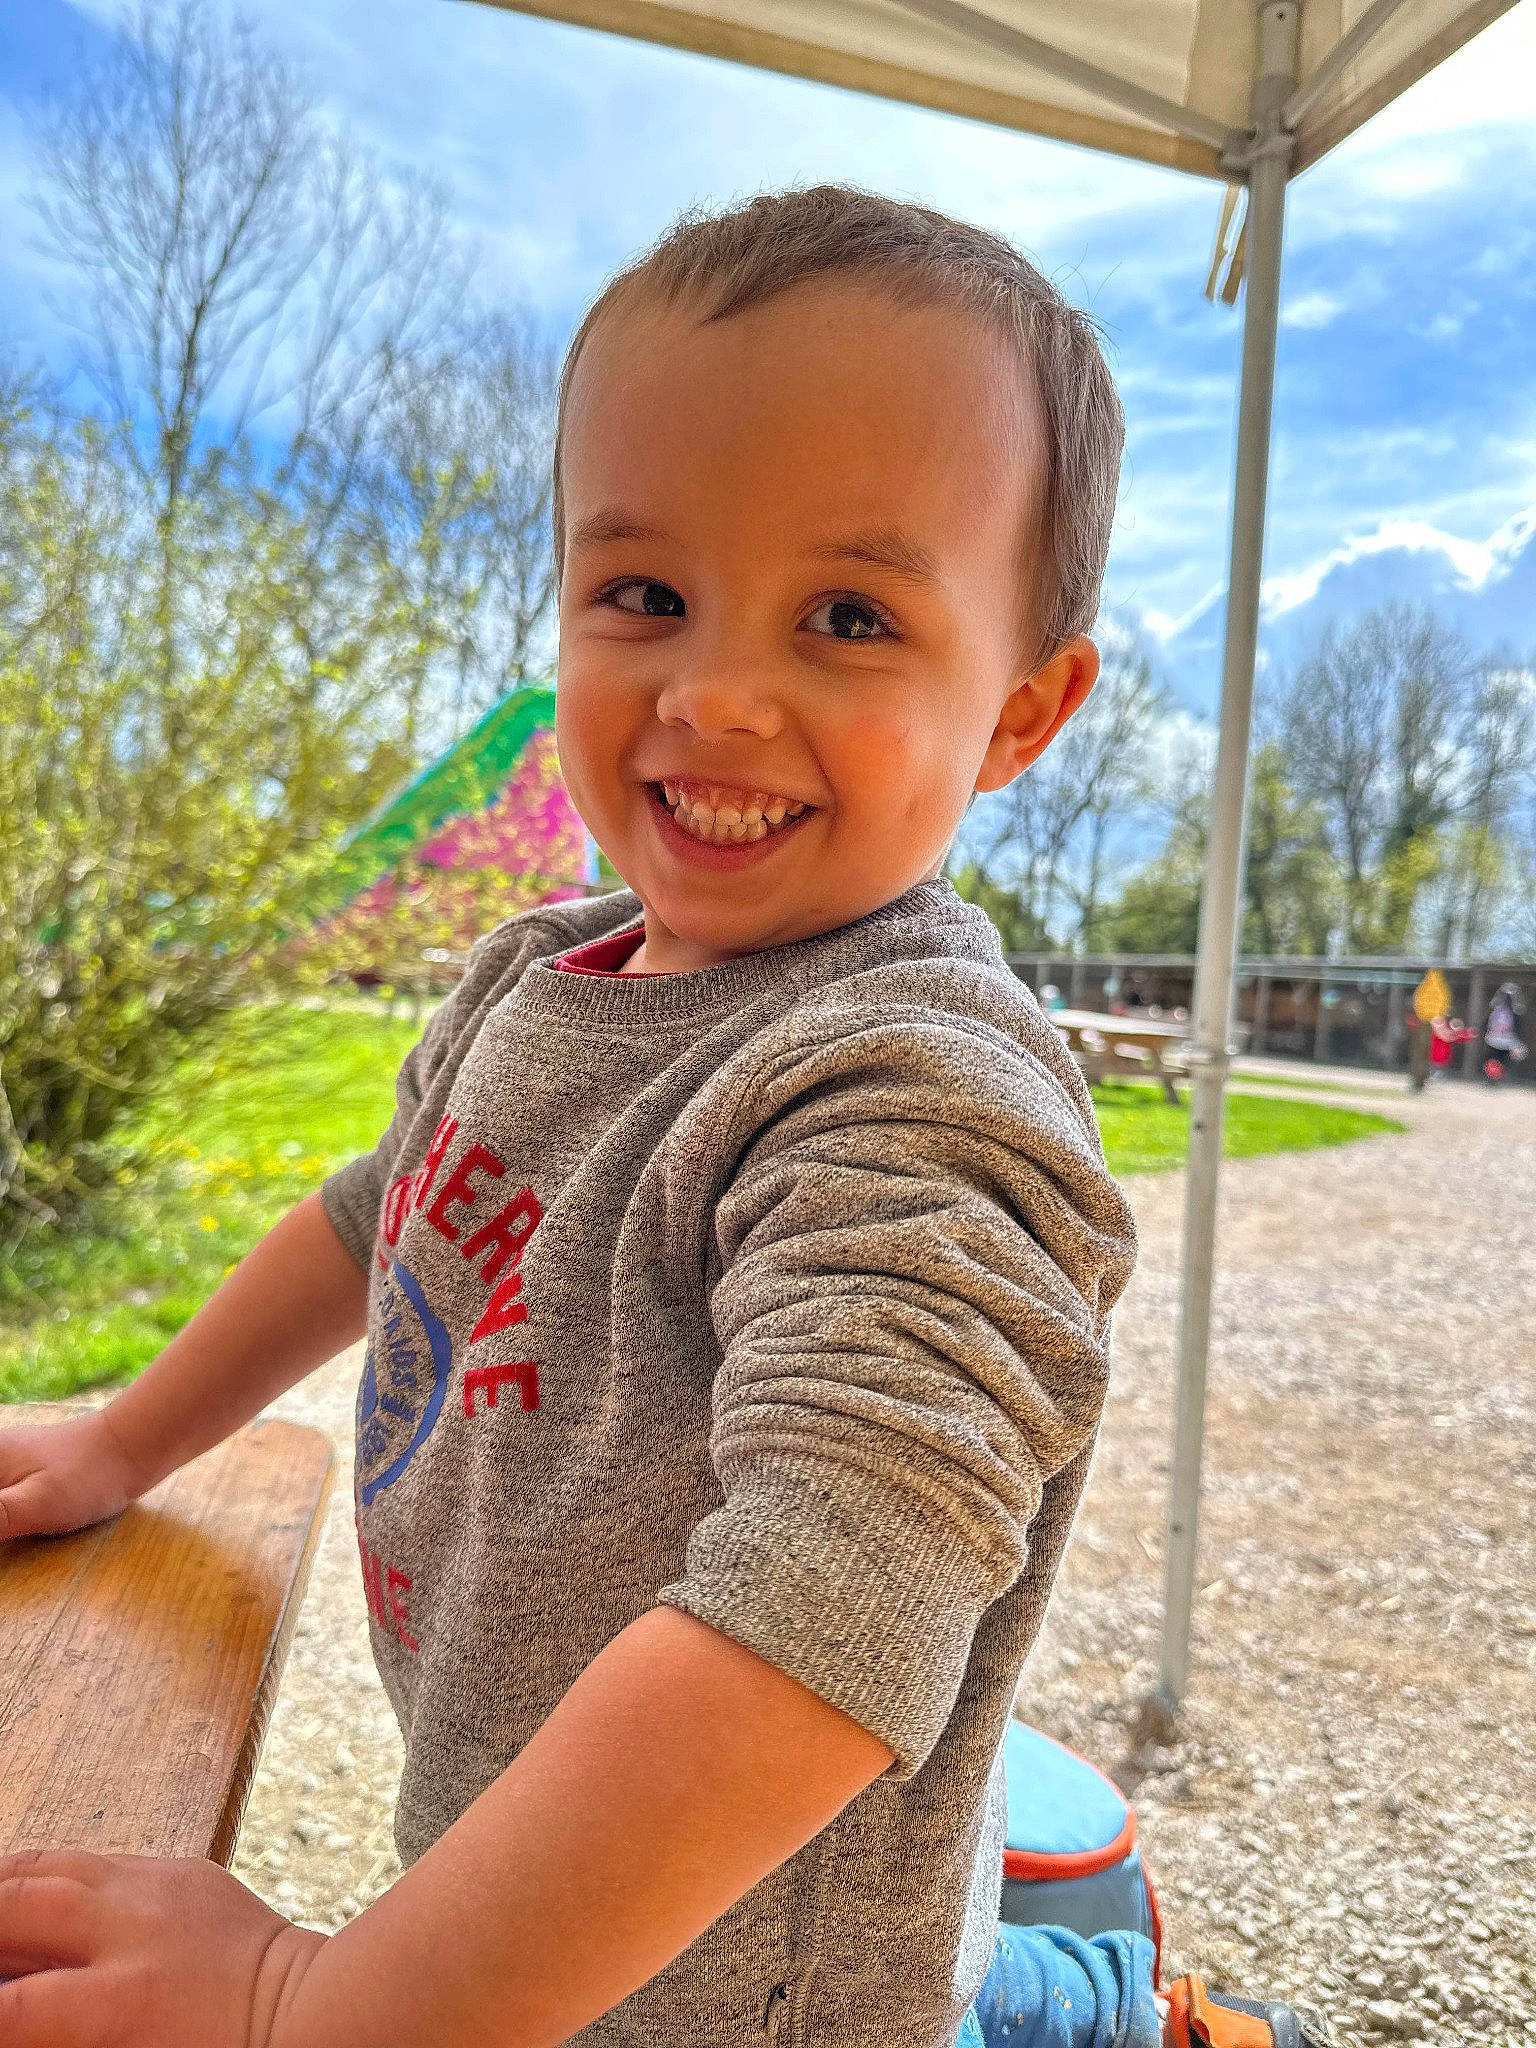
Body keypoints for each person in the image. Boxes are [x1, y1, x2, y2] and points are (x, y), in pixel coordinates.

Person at [0, 188, 1326, 2048]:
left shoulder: (912, 1093)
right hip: (545, 1889)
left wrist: (317, 2000)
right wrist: (126, 1435)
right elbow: (385, 1209)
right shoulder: (543, 969)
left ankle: (1113, 2001)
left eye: (848, 615)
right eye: (645, 592)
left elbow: (835, 1594)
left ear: (1020, 713)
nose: (712, 690)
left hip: (741, 1999)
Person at [1482, 982, 1528, 1084]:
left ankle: (1498, 1077)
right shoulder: (1497, 1009)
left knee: (1502, 1059)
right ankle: (1493, 1077)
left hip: (1503, 1040)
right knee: (1497, 1060)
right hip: (1497, 1039)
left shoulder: (1507, 1010)